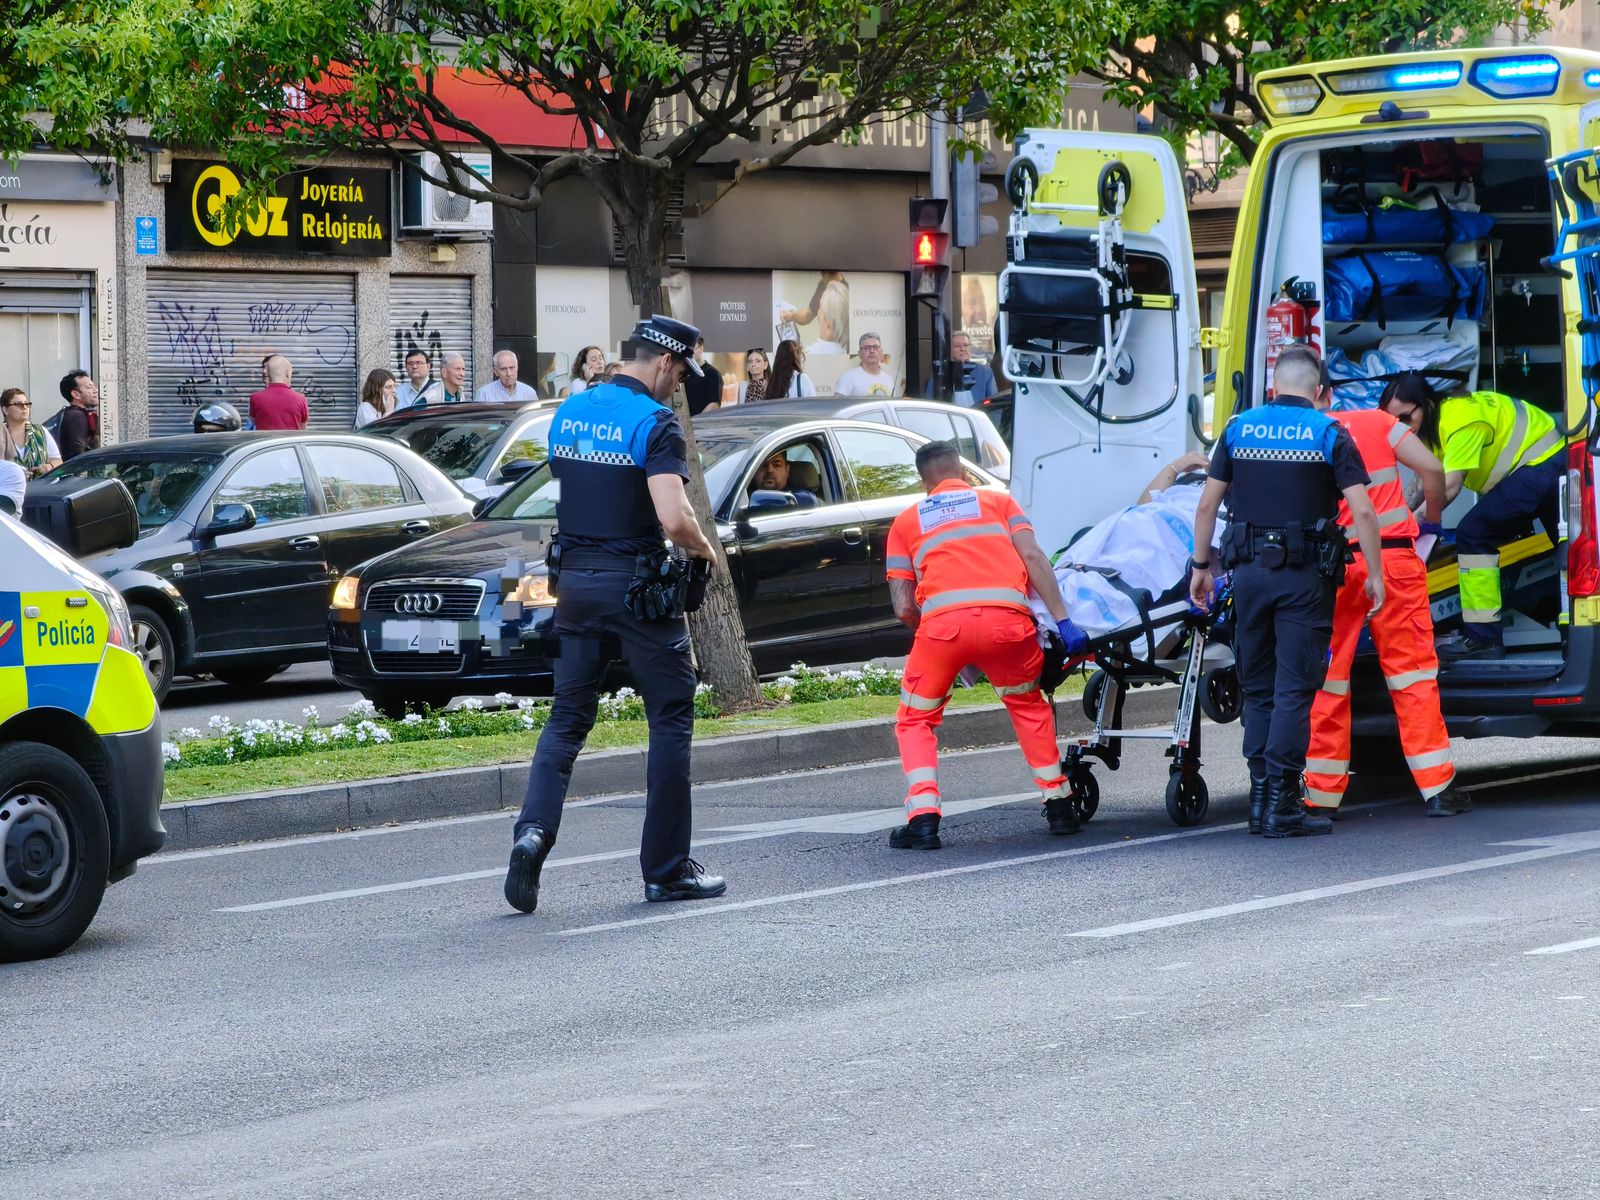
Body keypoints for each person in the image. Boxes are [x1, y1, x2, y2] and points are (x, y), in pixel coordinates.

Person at [504, 314, 724, 914]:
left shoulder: (569, 412)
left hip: (573, 585)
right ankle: (667, 870)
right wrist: (705, 550)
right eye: (679, 375)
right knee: (671, 716)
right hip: (637, 592)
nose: (677, 387)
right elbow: (675, 519)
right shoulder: (655, 424)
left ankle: (532, 833)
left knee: (568, 719)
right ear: (663, 362)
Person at [1189, 346, 1384, 839]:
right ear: (1320, 392)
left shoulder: (1238, 428)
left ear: (1272, 386)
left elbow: (1207, 504)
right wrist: (1377, 575)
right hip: (1303, 580)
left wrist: (1200, 566)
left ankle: (1259, 800)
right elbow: (1363, 511)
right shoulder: (1328, 432)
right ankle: (1282, 804)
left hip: (1247, 576)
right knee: (1294, 689)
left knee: (1257, 689)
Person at [885, 440, 1088, 847]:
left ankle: (923, 817)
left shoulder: (906, 522)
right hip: (1008, 626)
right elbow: (1032, 558)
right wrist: (1064, 622)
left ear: (924, 480)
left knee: (915, 719)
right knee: (1027, 704)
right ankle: (1059, 803)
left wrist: (945, 640)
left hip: (943, 630)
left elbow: (904, 606)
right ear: (961, 471)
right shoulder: (1000, 503)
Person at [1306, 372, 1468, 820]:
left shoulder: (1308, 433)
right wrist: (1431, 520)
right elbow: (1433, 470)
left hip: (1331, 567)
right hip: (1394, 561)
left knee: (1329, 680)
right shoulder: (1379, 422)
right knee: (1411, 676)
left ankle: (1320, 798)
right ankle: (1438, 790)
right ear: (1328, 391)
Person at [1380, 380, 1564, 660]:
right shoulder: (1431, 425)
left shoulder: (1460, 420)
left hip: (1542, 462)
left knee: (1473, 532)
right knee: (1566, 546)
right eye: (1393, 421)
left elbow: (1449, 487)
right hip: (1542, 463)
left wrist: (1412, 527)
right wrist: (1394, 525)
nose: (1402, 427)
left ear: (1426, 406)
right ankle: (1573, 626)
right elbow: (1421, 484)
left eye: (1406, 417)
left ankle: (1484, 637)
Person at [1, 389, 60, 479]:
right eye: (18, 404)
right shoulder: (2, 434)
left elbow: (57, 460)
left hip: (41, 489)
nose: (24, 407)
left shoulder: (40, 431)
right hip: (11, 490)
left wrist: (48, 467)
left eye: (27, 404)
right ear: (5, 410)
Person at [927, 333, 998, 403]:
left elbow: (993, 402)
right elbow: (930, 403)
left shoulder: (985, 372)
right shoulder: (940, 374)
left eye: (966, 345)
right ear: (949, 349)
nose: (963, 349)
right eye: (957, 346)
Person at [249, 355, 309, 430]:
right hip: (290, 441)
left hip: (266, 441)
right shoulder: (300, 399)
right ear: (288, 373)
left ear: (268, 374)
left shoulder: (255, 398)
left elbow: (254, 421)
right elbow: (302, 427)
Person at [749, 449, 820, 508]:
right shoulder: (741, 499)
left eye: (777, 465)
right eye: (763, 465)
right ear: (754, 472)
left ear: (787, 470)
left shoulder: (803, 499)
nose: (769, 470)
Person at [833, 332, 896, 397]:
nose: (872, 351)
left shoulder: (889, 379)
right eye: (867, 347)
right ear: (860, 354)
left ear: (881, 352)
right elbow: (837, 404)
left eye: (875, 347)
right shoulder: (848, 378)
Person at [57, 370, 101, 461]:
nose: (95, 390)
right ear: (76, 394)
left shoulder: (71, 413)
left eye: (94, 387)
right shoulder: (76, 416)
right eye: (89, 387)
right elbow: (77, 456)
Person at [683, 336, 723, 416]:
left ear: (701, 349)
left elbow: (714, 405)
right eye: (688, 349)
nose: (690, 352)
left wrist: (695, 422)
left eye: (693, 349)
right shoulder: (683, 373)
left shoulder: (712, 373)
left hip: (701, 425)